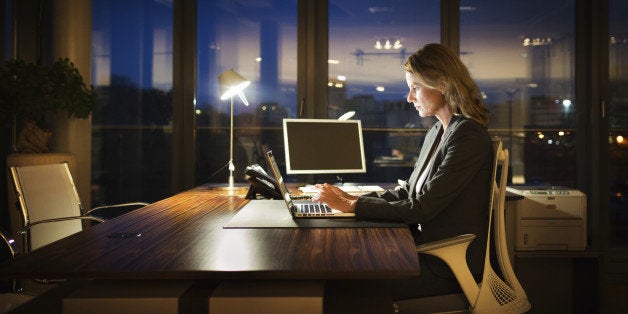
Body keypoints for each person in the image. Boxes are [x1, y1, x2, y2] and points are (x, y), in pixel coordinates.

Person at [312, 43, 494, 300]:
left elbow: (421, 208)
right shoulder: (437, 132)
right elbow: (407, 192)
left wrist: (354, 207)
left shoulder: (468, 136)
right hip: (428, 251)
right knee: (344, 271)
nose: (409, 97)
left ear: (442, 83)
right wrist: (351, 199)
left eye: (415, 87)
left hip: (448, 265)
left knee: (341, 287)